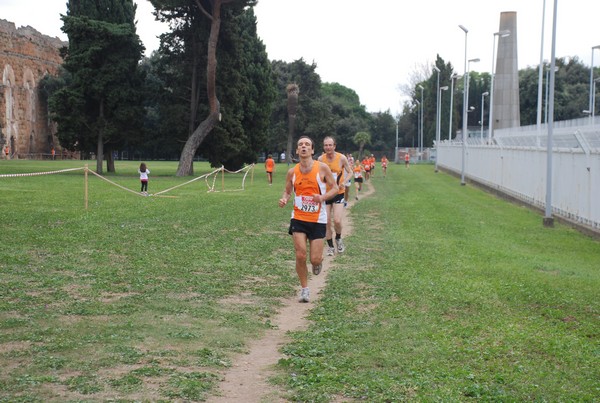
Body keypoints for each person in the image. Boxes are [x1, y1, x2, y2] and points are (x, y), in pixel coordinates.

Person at [279, 136, 338, 303]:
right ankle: (304, 289)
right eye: (300, 145)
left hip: (318, 219)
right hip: (298, 218)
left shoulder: (322, 168)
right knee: (300, 255)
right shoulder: (292, 172)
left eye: (307, 145)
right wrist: (284, 199)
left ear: (312, 150)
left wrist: (322, 197)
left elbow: (335, 188)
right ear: (297, 151)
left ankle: (317, 263)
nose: (303, 147)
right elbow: (288, 191)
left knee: (315, 259)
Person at [318, 136, 352, 256]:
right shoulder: (320, 159)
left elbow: (350, 171)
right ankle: (331, 247)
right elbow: (318, 175)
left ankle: (338, 238)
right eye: (325, 145)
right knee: (326, 222)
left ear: (334, 146)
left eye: (330, 145)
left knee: (337, 220)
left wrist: (344, 181)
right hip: (326, 194)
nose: (328, 147)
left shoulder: (341, 158)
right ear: (323, 147)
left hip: (338, 192)